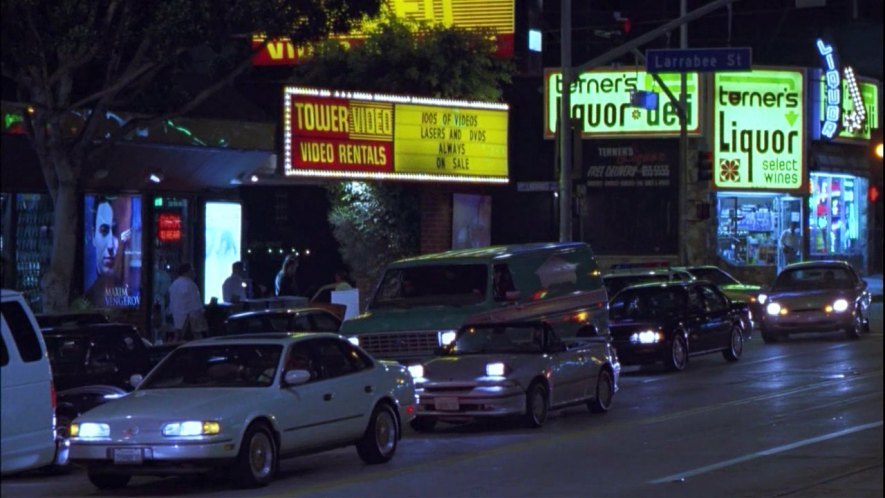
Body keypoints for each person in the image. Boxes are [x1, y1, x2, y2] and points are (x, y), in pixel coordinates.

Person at [85, 199, 131, 306]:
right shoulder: (85, 301)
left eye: (115, 232)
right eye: (104, 231)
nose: (110, 246)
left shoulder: (128, 297)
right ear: (93, 236)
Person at [168, 263, 207, 342]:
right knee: (197, 341)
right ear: (187, 272)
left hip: (176, 319)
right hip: (189, 320)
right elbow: (196, 305)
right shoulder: (191, 285)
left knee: (178, 340)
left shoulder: (174, 284)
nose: (194, 273)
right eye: (192, 270)